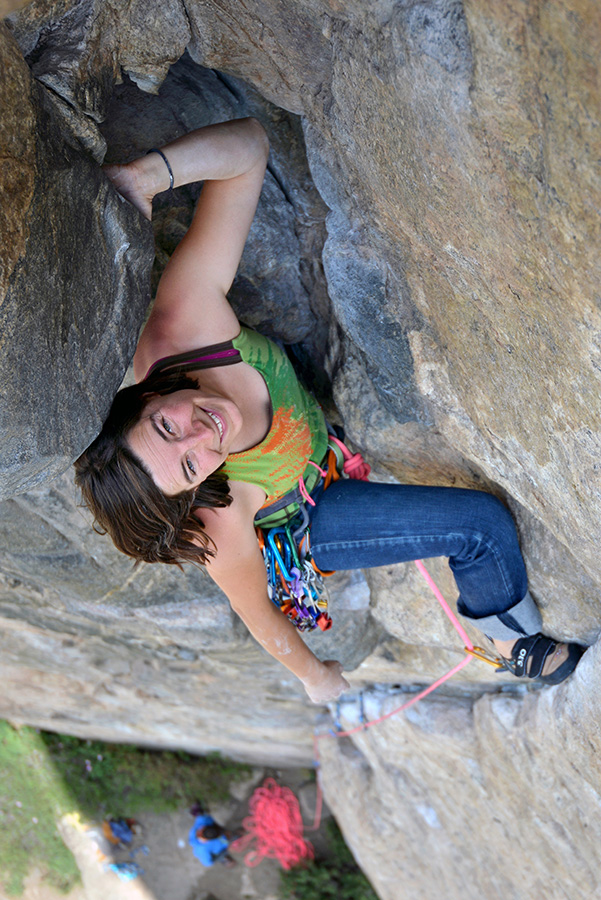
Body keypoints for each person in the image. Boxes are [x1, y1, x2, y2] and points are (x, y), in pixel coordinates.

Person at [74, 117, 583, 702]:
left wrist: (143, 178)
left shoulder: (184, 329)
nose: (202, 436)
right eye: (191, 466)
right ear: (196, 491)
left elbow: (248, 148)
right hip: (311, 516)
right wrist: (315, 678)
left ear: (148, 394)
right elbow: (254, 608)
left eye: (167, 426)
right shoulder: (217, 519)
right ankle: (511, 640)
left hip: (321, 445)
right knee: (479, 528)